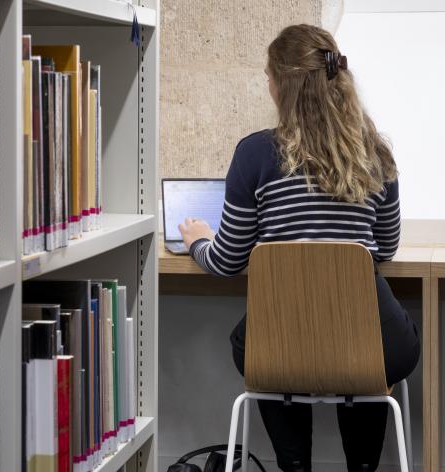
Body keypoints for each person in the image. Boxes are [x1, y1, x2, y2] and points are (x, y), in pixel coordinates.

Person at [178, 24, 420, 472]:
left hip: (281, 343)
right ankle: (362, 466)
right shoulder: (375, 152)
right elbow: (385, 246)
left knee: (264, 343)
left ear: (280, 86)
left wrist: (196, 243)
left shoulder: (254, 155)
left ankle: (293, 465)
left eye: (268, 77)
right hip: (369, 342)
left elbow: (228, 260)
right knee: (368, 344)